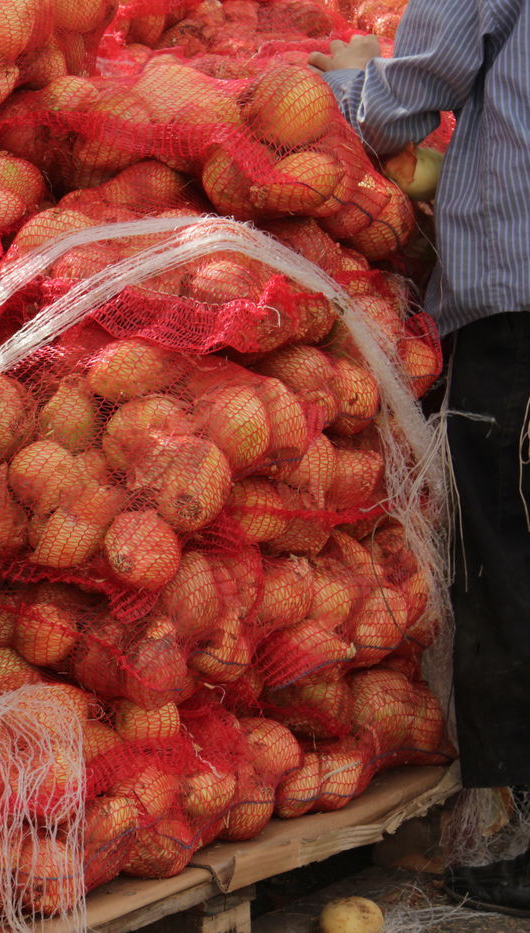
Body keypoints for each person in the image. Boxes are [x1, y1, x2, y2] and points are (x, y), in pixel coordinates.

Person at [311, 4, 530, 916]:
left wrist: (340, 88)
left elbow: (414, 91)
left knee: (505, 563)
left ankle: (523, 845)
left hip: (515, 312)